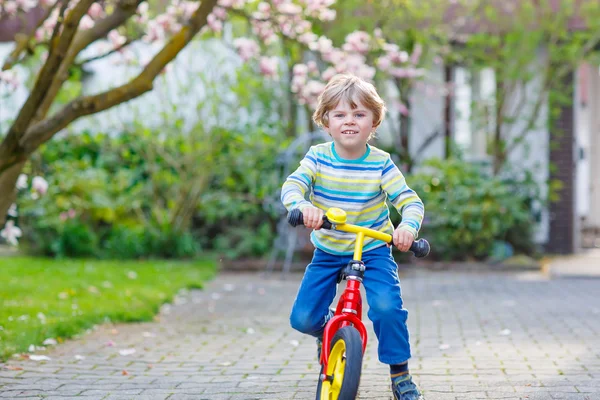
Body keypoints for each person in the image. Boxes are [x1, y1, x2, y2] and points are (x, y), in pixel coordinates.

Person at [280, 74, 425, 400]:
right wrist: (303, 207)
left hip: (373, 247)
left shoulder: (381, 163)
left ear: (373, 121)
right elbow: (292, 186)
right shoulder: (318, 157)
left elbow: (409, 200)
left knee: (388, 309)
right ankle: (330, 328)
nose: (349, 121)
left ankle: (400, 374)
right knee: (303, 318)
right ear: (326, 121)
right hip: (329, 249)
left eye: (359, 114)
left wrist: (406, 228)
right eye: (340, 114)